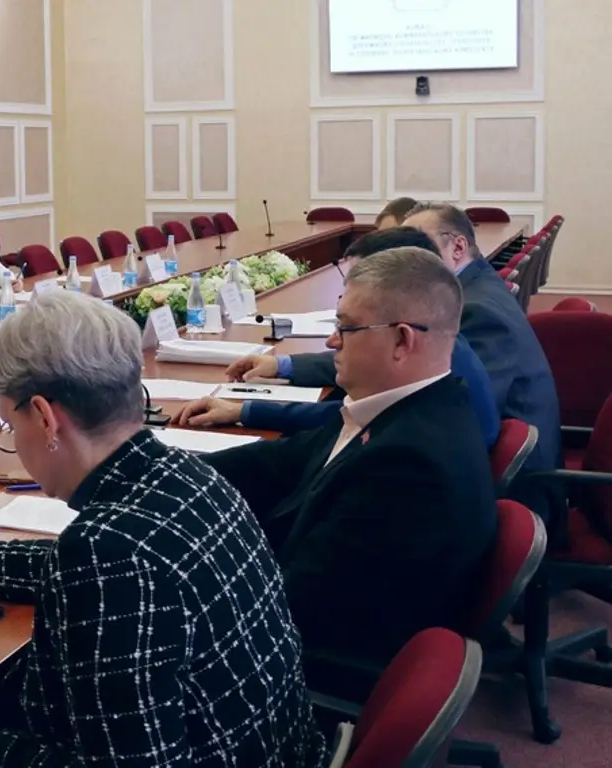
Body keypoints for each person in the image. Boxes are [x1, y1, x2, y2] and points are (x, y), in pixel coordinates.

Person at [0, 292, 325, 767]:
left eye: (9, 424)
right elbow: (105, 568)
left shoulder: (107, 554)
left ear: (44, 418)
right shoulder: (185, 474)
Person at [202, 248, 496, 667]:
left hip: (312, 664)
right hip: (302, 613)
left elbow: (296, 607)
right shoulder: (406, 407)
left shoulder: (408, 466)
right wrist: (165, 471)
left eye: (346, 327)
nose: (331, 341)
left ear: (402, 340)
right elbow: (282, 460)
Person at [180, 227, 499, 447]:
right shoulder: (434, 351)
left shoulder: (407, 445)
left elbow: (336, 416)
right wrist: (280, 366)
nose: (332, 342)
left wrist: (244, 411)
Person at [403, 201, 561, 477]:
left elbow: (466, 420)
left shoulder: (476, 310)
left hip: (520, 483)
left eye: (418, 246)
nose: (406, 258)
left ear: (458, 248)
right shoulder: (477, 286)